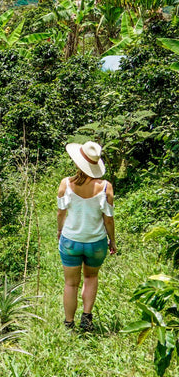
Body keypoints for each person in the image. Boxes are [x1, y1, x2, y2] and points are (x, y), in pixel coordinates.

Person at [56, 141, 117, 332]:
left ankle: (68, 323)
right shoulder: (106, 187)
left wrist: (60, 231)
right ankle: (87, 318)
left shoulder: (66, 184)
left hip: (70, 241)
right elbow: (108, 220)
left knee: (70, 283)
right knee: (91, 277)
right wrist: (112, 240)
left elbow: (60, 212)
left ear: (78, 162)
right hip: (96, 242)